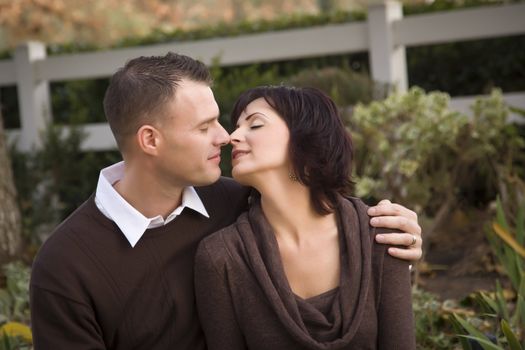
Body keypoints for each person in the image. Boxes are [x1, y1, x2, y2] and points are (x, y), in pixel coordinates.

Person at [30, 53, 421, 350]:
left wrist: (400, 231)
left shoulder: (239, 202)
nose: (225, 137)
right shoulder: (65, 267)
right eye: (205, 127)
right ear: (150, 140)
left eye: (224, 120)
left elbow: (315, 205)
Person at [194, 85, 416, 349]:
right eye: (237, 126)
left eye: (255, 125)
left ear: (306, 138)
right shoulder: (221, 258)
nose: (233, 137)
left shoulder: (380, 235)